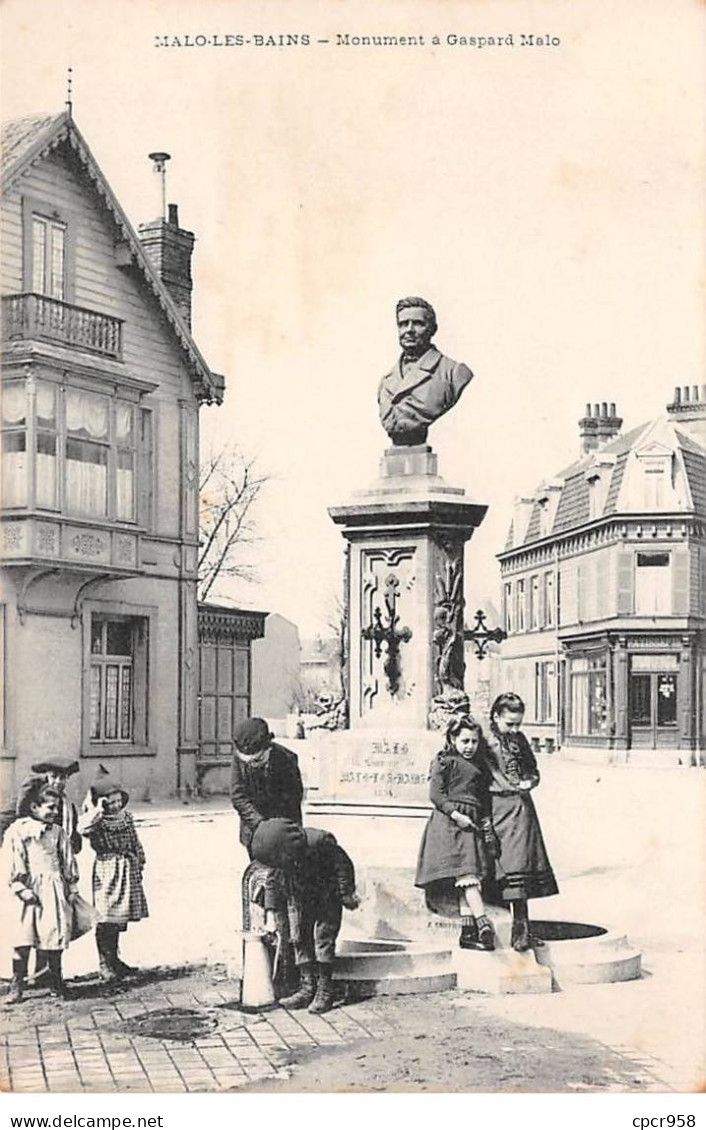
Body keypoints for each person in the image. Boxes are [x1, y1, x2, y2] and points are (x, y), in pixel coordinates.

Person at [250, 818, 360, 1014]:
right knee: (298, 937)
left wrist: (345, 893)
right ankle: (307, 986)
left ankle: (325, 990)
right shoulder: (279, 856)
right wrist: (271, 912)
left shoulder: (320, 842)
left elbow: (343, 866)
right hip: (301, 897)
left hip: (328, 896)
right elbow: (273, 882)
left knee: (323, 940)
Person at [3, 777, 92, 1004]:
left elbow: (67, 861)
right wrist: (20, 888)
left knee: (54, 936)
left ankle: (56, 982)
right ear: (34, 807)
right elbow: (13, 862)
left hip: (53, 889)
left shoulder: (59, 833)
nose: (54, 812)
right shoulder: (19, 831)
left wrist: (71, 887)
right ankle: (17, 986)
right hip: (28, 891)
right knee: (23, 938)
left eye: (57, 808)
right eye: (50, 808)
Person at [415, 715, 498, 951]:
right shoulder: (444, 761)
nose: (469, 746)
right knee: (466, 875)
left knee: (467, 878)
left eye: (473, 741)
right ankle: (483, 923)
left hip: (471, 826)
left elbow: (483, 801)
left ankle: (468, 932)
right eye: (464, 741)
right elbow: (436, 795)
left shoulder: (479, 766)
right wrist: (456, 815)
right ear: (453, 739)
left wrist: (486, 828)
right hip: (448, 825)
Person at [485, 692, 559, 951]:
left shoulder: (519, 740)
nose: (515, 729)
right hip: (495, 809)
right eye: (510, 724)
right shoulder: (484, 741)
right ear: (496, 717)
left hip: (521, 811)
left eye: (518, 724)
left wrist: (530, 781)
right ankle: (500, 929)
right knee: (499, 869)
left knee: (522, 870)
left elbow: (532, 768)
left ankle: (521, 931)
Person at [77, 769, 148, 982]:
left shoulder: (126, 818)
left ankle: (115, 959)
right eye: (111, 802)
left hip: (126, 867)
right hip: (107, 870)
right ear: (102, 802)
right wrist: (96, 810)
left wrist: (140, 861)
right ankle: (104, 963)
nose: (116, 805)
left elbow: (135, 841)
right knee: (106, 916)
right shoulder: (96, 820)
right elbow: (82, 828)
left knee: (119, 917)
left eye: (119, 800)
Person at [378, 297, 473, 446]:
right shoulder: (386, 382)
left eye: (418, 323)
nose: (409, 330)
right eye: (403, 324)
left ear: (432, 329)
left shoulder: (453, 373)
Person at [230, 718, 304, 855]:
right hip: (253, 826)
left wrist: (275, 828)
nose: (252, 765)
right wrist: (258, 823)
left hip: (283, 826)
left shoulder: (287, 760)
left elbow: (293, 799)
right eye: (247, 762)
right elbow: (238, 796)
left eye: (257, 760)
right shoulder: (238, 758)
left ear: (268, 747)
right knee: (259, 870)